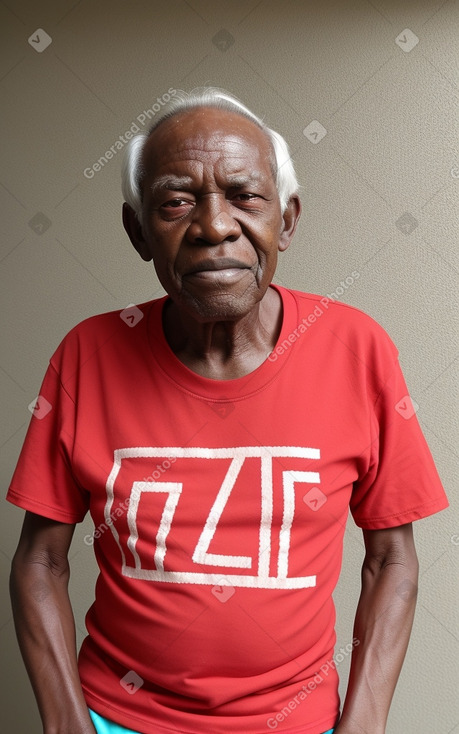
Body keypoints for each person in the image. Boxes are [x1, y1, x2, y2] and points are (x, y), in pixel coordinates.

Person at [8, 87, 448, 734]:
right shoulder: (86, 354)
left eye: (245, 197)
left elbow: (392, 560)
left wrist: (362, 723)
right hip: (115, 717)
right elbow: (39, 562)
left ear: (287, 222)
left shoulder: (358, 349)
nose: (214, 226)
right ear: (137, 231)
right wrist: (66, 722)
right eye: (176, 201)